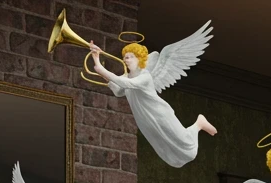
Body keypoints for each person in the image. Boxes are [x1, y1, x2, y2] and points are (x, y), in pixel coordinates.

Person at [89, 23, 217, 169]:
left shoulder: (145, 77)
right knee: (168, 152)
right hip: (146, 120)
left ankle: (198, 124)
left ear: (139, 59)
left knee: (188, 149)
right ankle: (196, 127)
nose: (125, 60)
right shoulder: (128, 77)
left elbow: (123, 83)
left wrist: (100, 67)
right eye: (125, 57)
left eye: (129, 57)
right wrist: (96, 59)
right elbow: (118, 90)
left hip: (160, 115)